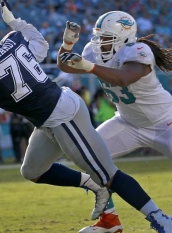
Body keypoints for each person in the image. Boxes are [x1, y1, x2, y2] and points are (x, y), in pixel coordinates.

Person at [0, 1, 172, 232]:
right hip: (54, 116)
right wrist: (14, 21)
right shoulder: (15, 46)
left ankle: (158, 218)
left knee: (107, 174)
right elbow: (40, 44)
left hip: (63, 115)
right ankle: (95, 187)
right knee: (32, 170)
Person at [58, 11, 172, 233]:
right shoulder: (93, 51)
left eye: (107, 38)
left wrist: (88, 66)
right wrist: (67, 44)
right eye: (99, 37)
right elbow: (65, 66)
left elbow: (124, 78)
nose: (101, 43)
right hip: (127, 123)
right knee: (89, 159)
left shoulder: (139, 51)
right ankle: (109, 221)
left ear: (125, 36)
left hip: (166, 121)